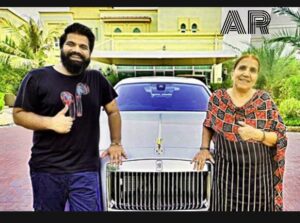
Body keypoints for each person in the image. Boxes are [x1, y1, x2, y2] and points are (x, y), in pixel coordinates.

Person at [12, 23, 127, 211]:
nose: (77, 50)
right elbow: (18, 114)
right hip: (47, 170)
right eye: (71, 44)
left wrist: (116, 142)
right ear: (62, 47)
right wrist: (50, 123)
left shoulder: (96, 79)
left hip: (86, 170)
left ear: (89, 53)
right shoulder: (38, 77)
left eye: (83, 47)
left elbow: (113, 110)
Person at [192, 54, 287, 211]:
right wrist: (204, 149)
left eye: (252, 70)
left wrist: (258, 135)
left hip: (260, 183)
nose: (246, 73)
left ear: (256, 76)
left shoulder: (264, 101)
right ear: (233, 72)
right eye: (242, 68)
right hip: (225, 181)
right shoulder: (218, 99)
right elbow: (208, 124)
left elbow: (280, 137)